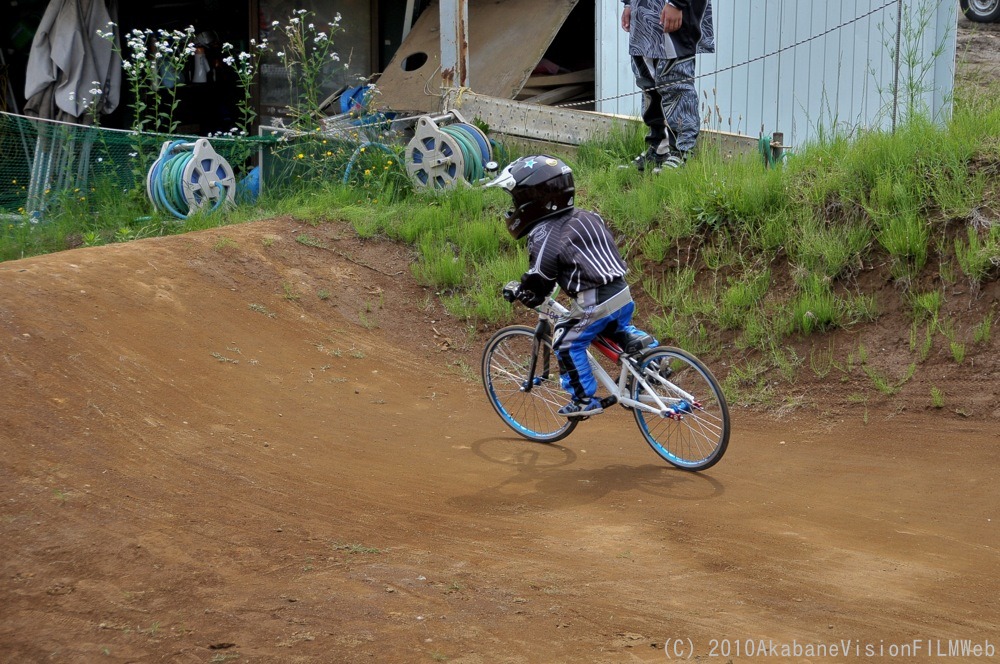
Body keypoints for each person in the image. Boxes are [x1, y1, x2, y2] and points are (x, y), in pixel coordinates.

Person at [486, 155, 655, 418]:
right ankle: (653, 360)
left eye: (516, 200)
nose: (514, 207)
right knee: (615, 328)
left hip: (594, 300)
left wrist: (523, 291)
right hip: (621, 292)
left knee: (565, 339)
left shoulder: (544, 233)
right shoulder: (588, 216)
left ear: (534, 199)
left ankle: (583, 399)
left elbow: (539, 278)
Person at [620, 0, 715, 171]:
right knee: (648, 82)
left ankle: (683, 152)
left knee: (675, 83)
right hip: (643, 14)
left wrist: (677, 3)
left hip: (675, 11)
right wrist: (628, 4)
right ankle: (659, 149)